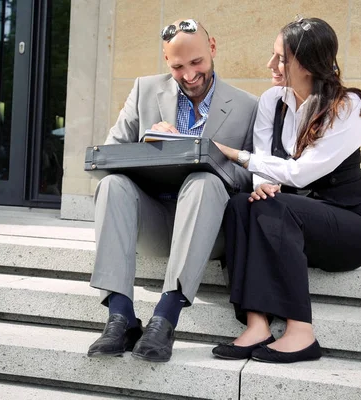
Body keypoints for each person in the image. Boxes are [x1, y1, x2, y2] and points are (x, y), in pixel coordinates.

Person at [211, 17, 361, 363]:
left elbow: (301, 174)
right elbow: (264, 160)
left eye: (281, 58)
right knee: (242, 204)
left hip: (353, 226)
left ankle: (301, 332)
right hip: (295, 222)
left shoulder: (346, 106)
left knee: (279, 207)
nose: (271, 65)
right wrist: (260, 189)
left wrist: (238, 157)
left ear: (307, 64)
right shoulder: (272, 100)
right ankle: (257, 323)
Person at [87, 18, 259, 362]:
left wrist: (209, 155)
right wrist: (150, 143)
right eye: (178, 66)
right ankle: (119, 318)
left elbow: (253, 178)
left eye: (196, 63)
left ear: (212, 49)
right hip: (154, 221)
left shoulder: (247, 105)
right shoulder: (144, 90)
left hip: (209, 229)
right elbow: (107, 156)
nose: (189, 74)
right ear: (167, 61)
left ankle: (165, 319)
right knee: (112, 185)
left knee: (204, 181)